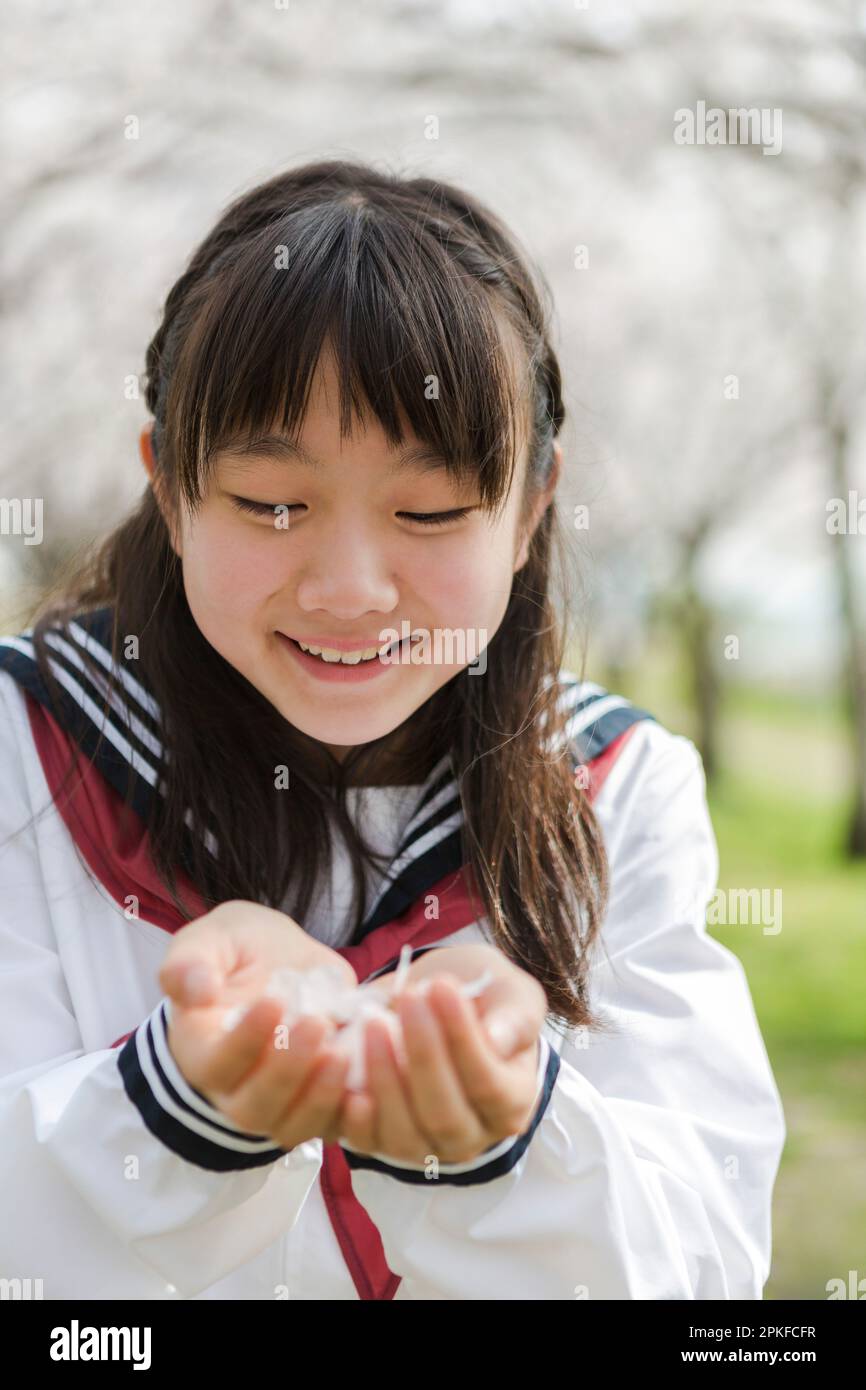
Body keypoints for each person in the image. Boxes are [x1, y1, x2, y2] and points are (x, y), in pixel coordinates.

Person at [0, 158, 785, 1300]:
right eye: (274, 503)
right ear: (168, 486)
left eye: (426, 511)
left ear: (528, 510)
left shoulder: (615, 788)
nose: (350, 588)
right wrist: (176, 1104)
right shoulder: (26, 744)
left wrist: (502, 1135)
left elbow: (703, 1278)